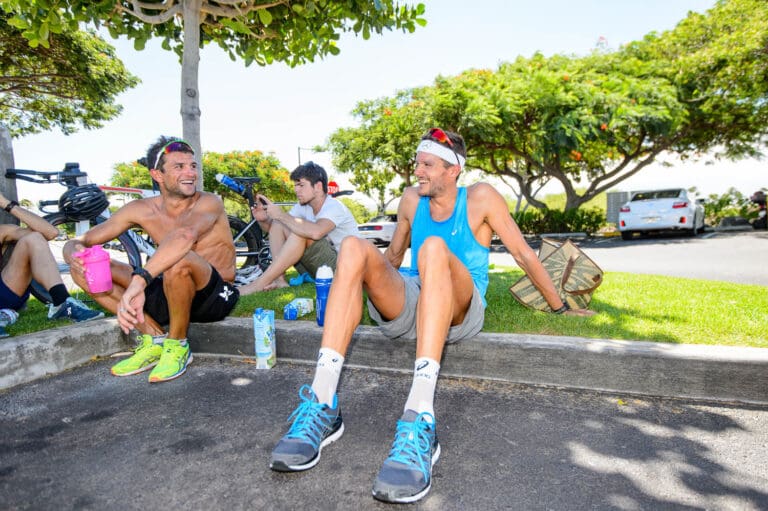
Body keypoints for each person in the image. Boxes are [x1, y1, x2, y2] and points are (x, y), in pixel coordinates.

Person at [268, 128, 595, 504]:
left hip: (460, 307)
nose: (417, 171)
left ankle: (420, 414)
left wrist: (559, 307)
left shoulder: (481, 197)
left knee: (434, 248)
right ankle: (323, 402)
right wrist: (357, 281)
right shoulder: (410, 200)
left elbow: (522, 253)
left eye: (427, 164)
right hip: (414, 300)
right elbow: (390, 258)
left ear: (453, 170)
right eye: (417, 163)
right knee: (355, 247)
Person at [63, 137, 239, 383]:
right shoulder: (141, 209)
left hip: (214, 295)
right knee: (83, 269)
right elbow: (82, 240)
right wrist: (73, 254)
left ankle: (177, 345)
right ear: (157, 174)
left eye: (193, 165)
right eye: (179, 167)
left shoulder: (209, 202)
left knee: (179, 258)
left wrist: (140, 280)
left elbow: (184, 236)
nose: (191, 173)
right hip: (169, 289)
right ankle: (154, 339)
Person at [238, 161, 358, 293]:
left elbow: (317, 232)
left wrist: (281, 215)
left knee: (300, 232)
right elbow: (277, 230)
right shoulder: (303, 207)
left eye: (301, 185)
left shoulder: (334, 206)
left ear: (318, 186)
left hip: (344, 269)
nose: (296, 189)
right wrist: (264, 220)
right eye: (295, 185)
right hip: (318, 268)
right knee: (280, 223)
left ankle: (258, 284)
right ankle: (280, 280)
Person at [0, 192, 103, 337]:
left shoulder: (2, 231)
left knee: (34, 238)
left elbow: (51, 232)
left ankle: (62, 303)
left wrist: (6, 203)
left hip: (6, 291)